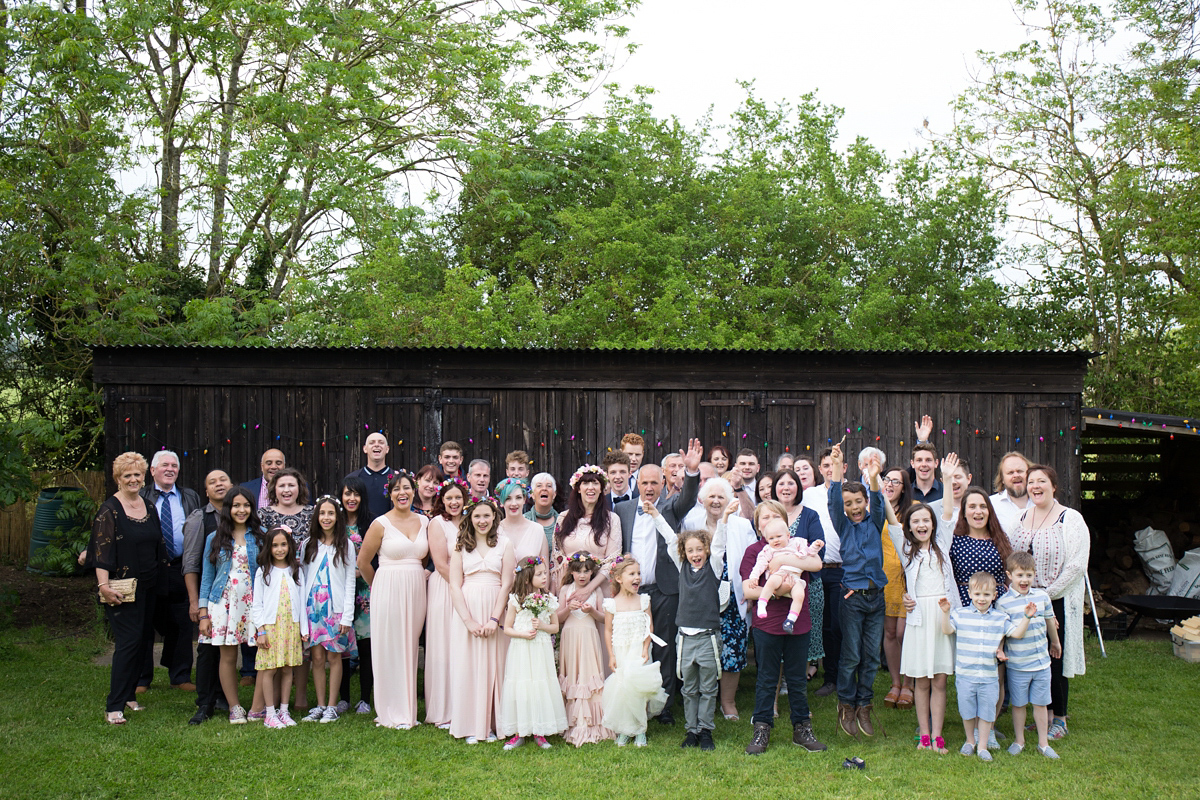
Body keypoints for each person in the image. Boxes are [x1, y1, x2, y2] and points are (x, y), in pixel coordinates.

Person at [613, 438, 703, 725]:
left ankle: (663, 706)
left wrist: (690, 472)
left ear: (663, 484)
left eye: (655, 482)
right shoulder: (623, 510)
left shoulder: (672, 508)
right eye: (644, 483)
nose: (650, 487)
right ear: (636, 483)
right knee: (634, 649)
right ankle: (635, 700)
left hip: (665, 590)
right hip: (631, 593)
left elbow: (688, 497)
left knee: (663, 647)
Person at [1011, 463, 1090, 742]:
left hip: (1056, 600)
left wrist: (1046, 595)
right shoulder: (1020, 518)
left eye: (1042, 481)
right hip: (1025, 601)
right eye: (1031, 482)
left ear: (1053, 486)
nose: (1035, 486)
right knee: (1031, 659)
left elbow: (1077, 566)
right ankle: (1042, 714)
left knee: (1054, 658)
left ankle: (1060, 718)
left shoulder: (1070, 519)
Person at [742, 516, 826, 755]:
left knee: (797, 679)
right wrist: (780, 591)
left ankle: (802, 729)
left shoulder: (797, 544)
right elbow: (749, 589)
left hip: (797, 621)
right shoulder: (755, 552)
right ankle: (762, 728)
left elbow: (816, 564)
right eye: (764, 519)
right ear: (760, 528)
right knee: (767, 678)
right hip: (767, 623)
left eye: (774, 517)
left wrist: (781, 559)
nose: (771, 527)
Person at [93, 452, 167, 725]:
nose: (133, 479)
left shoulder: (149, 506)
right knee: (128, 643)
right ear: (118, 479)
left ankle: (129, 695)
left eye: (137, 474)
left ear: (144, 476)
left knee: (143, 640)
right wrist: (104, 587)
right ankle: (114, 706)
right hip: (120, 588)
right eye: (127, 476)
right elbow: (101, 552)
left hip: (148, 585)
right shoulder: (109, 510)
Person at [358, 471, 429, 730]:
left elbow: (422, 559)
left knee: (410, 646)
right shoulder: (380, 524)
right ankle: (390, 709)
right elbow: (363, 562)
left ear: (414, 491)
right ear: (390, 494)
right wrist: (378, 586)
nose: (402, 493)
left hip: (415, 588)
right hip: (387, 587)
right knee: (390, 648)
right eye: (397, 489)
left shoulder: (425, 522)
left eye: (407, 488)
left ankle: (408, 708)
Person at [885, 502, 958, 754]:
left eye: (926, 520)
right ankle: (924, 735)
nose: (921, 525)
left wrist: (947, 479)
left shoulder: (943, 546)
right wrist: (882, 493)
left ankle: (938, 736)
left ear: (933, 524)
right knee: (921, 682)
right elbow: (893, 526)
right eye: (915, 521)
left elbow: (948, 515)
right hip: (918, 619)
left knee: (939, 681)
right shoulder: (907, 551)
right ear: (910, 528)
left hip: (940, 617)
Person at [940, 572, 1033, 761]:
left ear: (994, 595)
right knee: (966, 710)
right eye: (977, 594)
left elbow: (1016, 634)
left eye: (986, 595)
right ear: (969, 594)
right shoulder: (960, 614)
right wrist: (945, 612)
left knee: (987, 711)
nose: (981, 599)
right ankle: (969, 741)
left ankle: (982, 746)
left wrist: (1027, 617)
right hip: (966, 674)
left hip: (989, 676)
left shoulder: (1000, 618)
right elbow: (947, 630)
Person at [828, 442, 886, 738]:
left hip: (877, 598)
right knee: (851, 655)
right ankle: (846, 704)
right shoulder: (844, 525)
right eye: (849, 503)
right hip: (852, 598)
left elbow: (878, 500)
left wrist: (873, 477)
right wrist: (837, 465)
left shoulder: (875, 522)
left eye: (858, 502)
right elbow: (834, 502)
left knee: (871, 656)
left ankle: (864, 703)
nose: (854, 508)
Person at [448, 498, 515, 743]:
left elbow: (507, 583)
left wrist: (494, 619)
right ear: (470, 519)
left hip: (495, 608)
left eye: (487, 516)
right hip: (468, 609)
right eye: (477, 516)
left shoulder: (505, 544)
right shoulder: (460, 547)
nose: (482, 521)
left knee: (497, 666)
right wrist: (469, 621)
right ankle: (470, 725)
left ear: (494, 518)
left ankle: (496, 723)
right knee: (469, 666)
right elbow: (455, 585)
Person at [197, 487, 262, 724]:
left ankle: (259, 705)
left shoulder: (262, 536)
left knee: (261, 653)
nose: (241, 510)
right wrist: (203, 612)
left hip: (254, 603)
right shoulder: (214, 539)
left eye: (246, 505)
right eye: (236, 505)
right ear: (228, 508)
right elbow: (206, 576)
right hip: (223, 603)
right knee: (227, 656)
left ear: (252, 509)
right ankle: (234, 707)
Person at [139, 450, 202, 693]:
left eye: (174, 465)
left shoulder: (189, 497)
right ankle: (142, 679)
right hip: (150, 568)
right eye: (164, 465)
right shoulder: (142, 495)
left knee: (183, 622)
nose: (170, 469)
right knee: (144, 622)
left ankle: (180, 676)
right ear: (152, 470)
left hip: (180, 567)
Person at [661, 526, 727, 752]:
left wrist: (725, 519)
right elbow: (670, 539)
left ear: (706, 550)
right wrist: (654, 515)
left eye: (699, 549)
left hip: (707, 638)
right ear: (684, 553)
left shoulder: (714, 568)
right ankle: (691, 730)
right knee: (689, 688)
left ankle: (706, 730)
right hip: (685, 639)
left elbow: (719, 545)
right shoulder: (682, 568)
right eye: (690, 550)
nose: (695, 554)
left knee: (708, 688)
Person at [258, 466, 314, 713]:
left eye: (291, 485)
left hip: (303, 580)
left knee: (298, 647)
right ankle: (272, 705)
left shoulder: (312, 513)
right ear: (273, 489)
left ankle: (299, 697)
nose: (287, 490)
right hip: (274, 581)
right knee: (275, 651)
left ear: (299, 488)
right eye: (281, 485)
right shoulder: (264, 515)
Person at [997, 551, 1061, 759]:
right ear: (1010, 575)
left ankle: (1043, 743)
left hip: (1042, 662)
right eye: (1019, 575)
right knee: (1018, 704)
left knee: (1041, 703)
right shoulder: (1004, 603)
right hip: (1017, 664)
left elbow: (1050, 621)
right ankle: (1019, 740)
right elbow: (1002, 632)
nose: (1024, 580)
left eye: (1028, 575)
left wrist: (1056, 642)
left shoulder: (1042, 597)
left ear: (1034, 575)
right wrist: (999, 649)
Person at [499, 557, 568, 750]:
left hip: (540, 649)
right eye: (540, 574)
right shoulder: (515, 601)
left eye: (545, 573)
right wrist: (522, 634)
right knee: (521, 686)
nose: (545, 577)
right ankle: (519, 731)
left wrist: (543, 626)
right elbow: (507, 628)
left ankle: (540, 731)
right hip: (521, 649)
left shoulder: (548, 600)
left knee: (540, 685)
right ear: (528, 578)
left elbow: (555, 627)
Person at [300, 496, 357, 723]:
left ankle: (332, 706)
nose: (326, 518)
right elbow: (302, 579)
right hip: (313, 608)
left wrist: (347, 615)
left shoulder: (346, 545)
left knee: (334, 657)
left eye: (331, 513)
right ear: (317, 516)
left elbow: (350, 580)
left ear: (338, 516)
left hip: (335, 609)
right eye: (322, 513)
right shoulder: (308, 544)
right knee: (316, 657)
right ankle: (320, 705)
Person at [183, 468, 233, 725]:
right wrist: (196, 603)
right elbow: (191, 563)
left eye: (223, 480)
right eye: (212, 482)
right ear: (206, 491)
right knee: (207, 650)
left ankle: (225, 696)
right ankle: (205, 701)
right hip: (211, 596)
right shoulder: (199, 519)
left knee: (229, 649)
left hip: (236, 599)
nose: (218, 484)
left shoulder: (243, 515)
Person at [602, 555, 668, 747]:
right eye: (632, 574)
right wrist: (611, 655)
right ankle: (624, 729)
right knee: (623, 688)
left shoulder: (644, 600)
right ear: (619, 578)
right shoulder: (611, 604)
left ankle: (640, 729)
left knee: (639, 689)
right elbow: (608, 630)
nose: (637, 577)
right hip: (621, 650)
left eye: (639, 573)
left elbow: (650, 627)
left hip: (639, 650)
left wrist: (646, 648)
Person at [253, 527, 308, 729]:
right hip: (271, 627)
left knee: (287, 669)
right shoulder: (263, 571)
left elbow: (301, 601)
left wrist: (303, 630)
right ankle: (269, 713)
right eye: (275, 545)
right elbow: (256, 603)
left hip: (291, 626)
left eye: (283, 544)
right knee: (269, 669)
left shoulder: (296, 570)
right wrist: (261, 630)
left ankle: (284, 711)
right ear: (268, 547)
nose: (279, 549)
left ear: (290, 546)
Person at [772, 468, 825, 674]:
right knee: (777, 630)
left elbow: (819, 551)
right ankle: (778, 678)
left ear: (799, 488)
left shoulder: (810, 516)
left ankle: (798, 676)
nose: (786, 488)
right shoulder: (769, 513)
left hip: (806, 586)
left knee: (802, 632)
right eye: (781, 483)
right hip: (775, 584)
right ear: (774, 488)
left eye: (791, 483)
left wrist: (785, 559)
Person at [424, 478, 468, 728]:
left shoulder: (472, 520)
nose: (454, 502)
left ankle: (464, 704)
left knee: (463, 646)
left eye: (458, 498)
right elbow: (440, 563)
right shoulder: (437, 524)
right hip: (446, 588)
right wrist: (459, 587)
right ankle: (443, 709)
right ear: (442, 500)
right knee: (444, 646)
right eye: (449, 498)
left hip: (467, 588)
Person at [556, 553, 612, 746]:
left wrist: (592, 611)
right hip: (570, 637)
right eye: (578, 571)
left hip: (589, 636)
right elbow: (558, 618)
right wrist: (568, 608)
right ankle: (570, 721)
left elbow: (604, 618)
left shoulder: (595, 592)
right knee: (572, 673)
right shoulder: (565, 589)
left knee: (589, 674)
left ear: (592, 573)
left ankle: (591, 722)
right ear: (571, 572)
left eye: (586, 571)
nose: (582, 575)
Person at [802, 448, 843, 698]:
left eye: (834, 465)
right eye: (825, 465)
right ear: (820, 469)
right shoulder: (809, 495)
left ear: (843, 468)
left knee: (840, 626)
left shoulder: (849, 492)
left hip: (842, 568)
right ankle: (829, 677)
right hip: (817, 568)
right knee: (823, 626)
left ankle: (841, 676)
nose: (830, 469)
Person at [338, 476, 377, 714]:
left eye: (356, 494)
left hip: (365, 592)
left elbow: (376, 558)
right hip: (339, 591)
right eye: (347, 493)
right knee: (341, 644)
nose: (351, 498)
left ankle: (365, 698)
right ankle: (343, 697)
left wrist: (360, 573)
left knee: (366, 646)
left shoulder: (371, 524)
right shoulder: (333, 522)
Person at [551, 465, 621, 594]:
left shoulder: (612, 520)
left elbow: (612, 560)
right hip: (569, 588)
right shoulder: (563, 518)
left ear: (601, 489)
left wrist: (588, 589)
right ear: (578, 488)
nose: (590, 487)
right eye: (586, 483)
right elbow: (557, 556)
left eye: (595, 483)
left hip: (600, 589)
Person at [879, 467, 914, 710]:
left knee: (905, 633)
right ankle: (895, 684)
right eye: (887, 480)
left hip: (909, 578)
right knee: (890, 633)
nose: (890, 484)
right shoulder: (875, 509)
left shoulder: (913, 509)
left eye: (896, 482)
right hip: (885, 579)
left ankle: (910, 684)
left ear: (904, 487)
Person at [749, 518, 819, 633]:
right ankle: (762, 603)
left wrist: (816, 546)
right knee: (771, 582)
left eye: (779, 536)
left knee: (799, 595)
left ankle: (790, 620)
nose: (775, 540)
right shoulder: (769, 550)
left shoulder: (797, 543)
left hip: (795, 577)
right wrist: (754, 577)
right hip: (779, 574)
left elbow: (809, 553)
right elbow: (760, 564)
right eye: (771, 538)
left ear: (788, 535)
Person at [495, 478, 549, 567]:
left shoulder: (537, 530)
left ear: (524, 499)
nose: (514, 503)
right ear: (501, 501)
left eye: (518, 498)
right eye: (508, 498)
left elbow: (545, 570)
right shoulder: (495, 531)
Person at [343, 431, 396, 520]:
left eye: (381, 442)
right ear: (365, 449)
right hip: (360, 532)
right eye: (372, 442)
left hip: (390, 531)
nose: (376, 445)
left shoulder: (397, 478)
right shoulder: (353, 479)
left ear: (387, 449)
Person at [990, 451, 1032, 536]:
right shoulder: (991, 504)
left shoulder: (1044, 503)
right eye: (1010, 472)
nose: (1016, 475)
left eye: (1020, 471)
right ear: (1002, 479)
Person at [524, 472, 560, 554]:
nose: (544, 489)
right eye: (539, 486)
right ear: (532, 494)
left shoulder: (563, 521)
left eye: (549, 486)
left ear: (554, 494)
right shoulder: (524, 520)